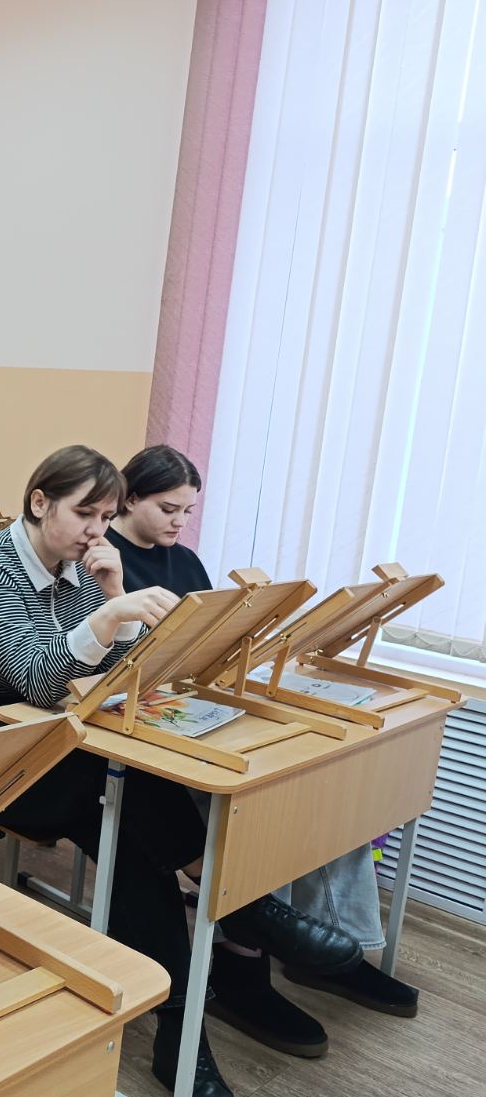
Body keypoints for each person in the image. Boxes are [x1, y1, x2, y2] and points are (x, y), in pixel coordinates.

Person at [0, 445, 361, 1097]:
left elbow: (114, 675)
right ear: (39, 502)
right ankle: (240, 914)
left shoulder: (80, 565)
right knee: (128, 801)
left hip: (49, 735)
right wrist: (108, 614)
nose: (96, 531)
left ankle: (182, 1037)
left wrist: (113, 596)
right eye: (85, 514)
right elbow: (38, 678)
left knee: (133, 842)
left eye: (105, 517)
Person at [110, 445, 420, 1054]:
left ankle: (334, 948)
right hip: (140, 724)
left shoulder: (185, 561)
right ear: (129, 497)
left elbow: (205, 650)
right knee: (257, 800)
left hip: (190, 706)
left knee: (321, 787)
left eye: (188, 511)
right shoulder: (102, 563)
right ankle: (243, 963)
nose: (180, 522)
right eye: (168, 509)